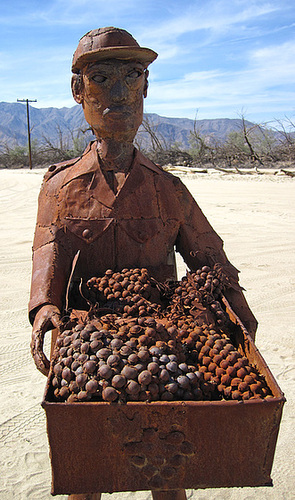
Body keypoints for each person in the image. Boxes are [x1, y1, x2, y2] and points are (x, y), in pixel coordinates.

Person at [29, 27, 257, 500]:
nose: (121, 91)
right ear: (78, 91)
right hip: (89, 349)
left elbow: (209, 257)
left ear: (147, 87)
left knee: (169, 468)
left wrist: (236, 304)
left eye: (134, 76)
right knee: (85, 467)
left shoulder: (169, 188)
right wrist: (44, 309)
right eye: (103, 77)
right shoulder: (60, 187)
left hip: (168, 343)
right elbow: (46, 255)